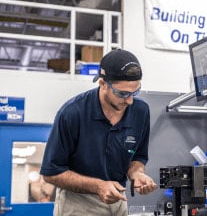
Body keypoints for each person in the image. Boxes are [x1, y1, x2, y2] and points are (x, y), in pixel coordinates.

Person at [40, 49, 157, 216]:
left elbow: (137, 157)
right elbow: (51, 173)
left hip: (118, 201)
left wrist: (136, 174)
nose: (130, 101)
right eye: (122, 93)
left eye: (135, 92)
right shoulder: (72, 113)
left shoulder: (141, 111)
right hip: (78, 204)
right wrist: (98, 186)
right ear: (102, 84)